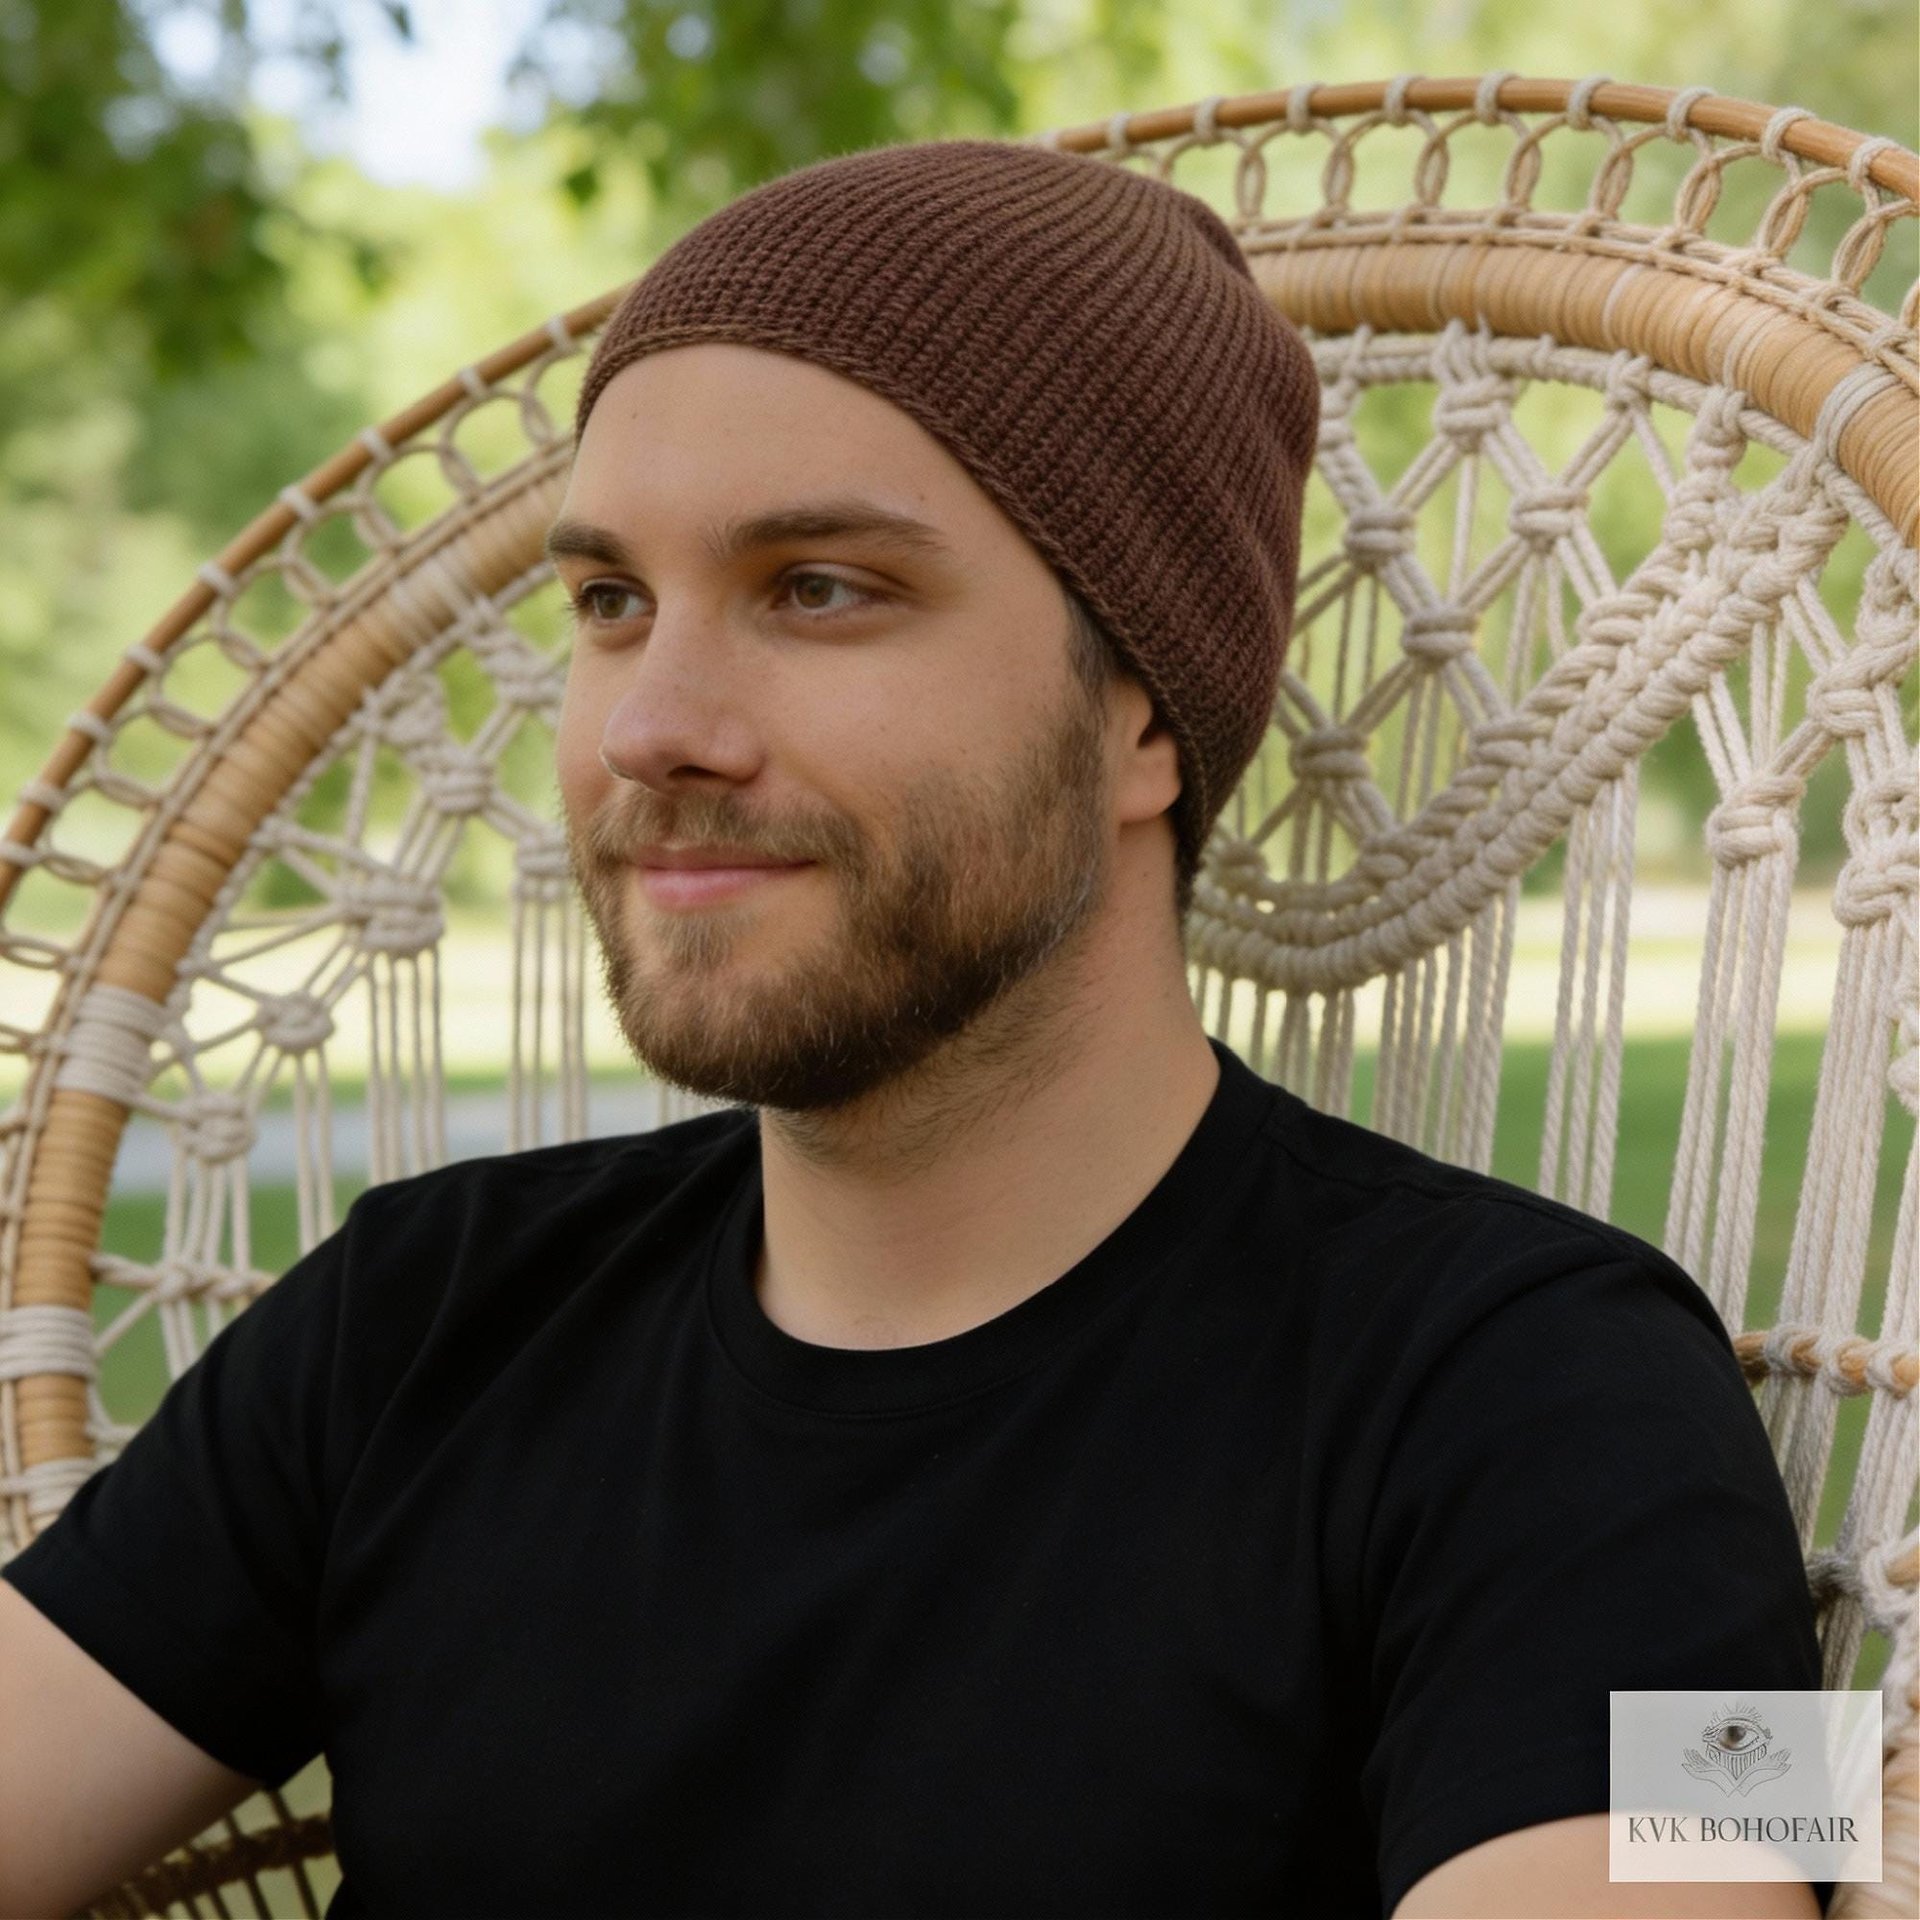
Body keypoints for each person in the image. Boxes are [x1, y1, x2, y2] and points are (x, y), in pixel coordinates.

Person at [0, 138, 1830, 1920]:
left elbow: (1712, 1839)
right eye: (611, 602)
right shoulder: (424, 1314)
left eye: (819, 588)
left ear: (1143, 718)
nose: (652, 725)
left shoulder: (1560, 1394)